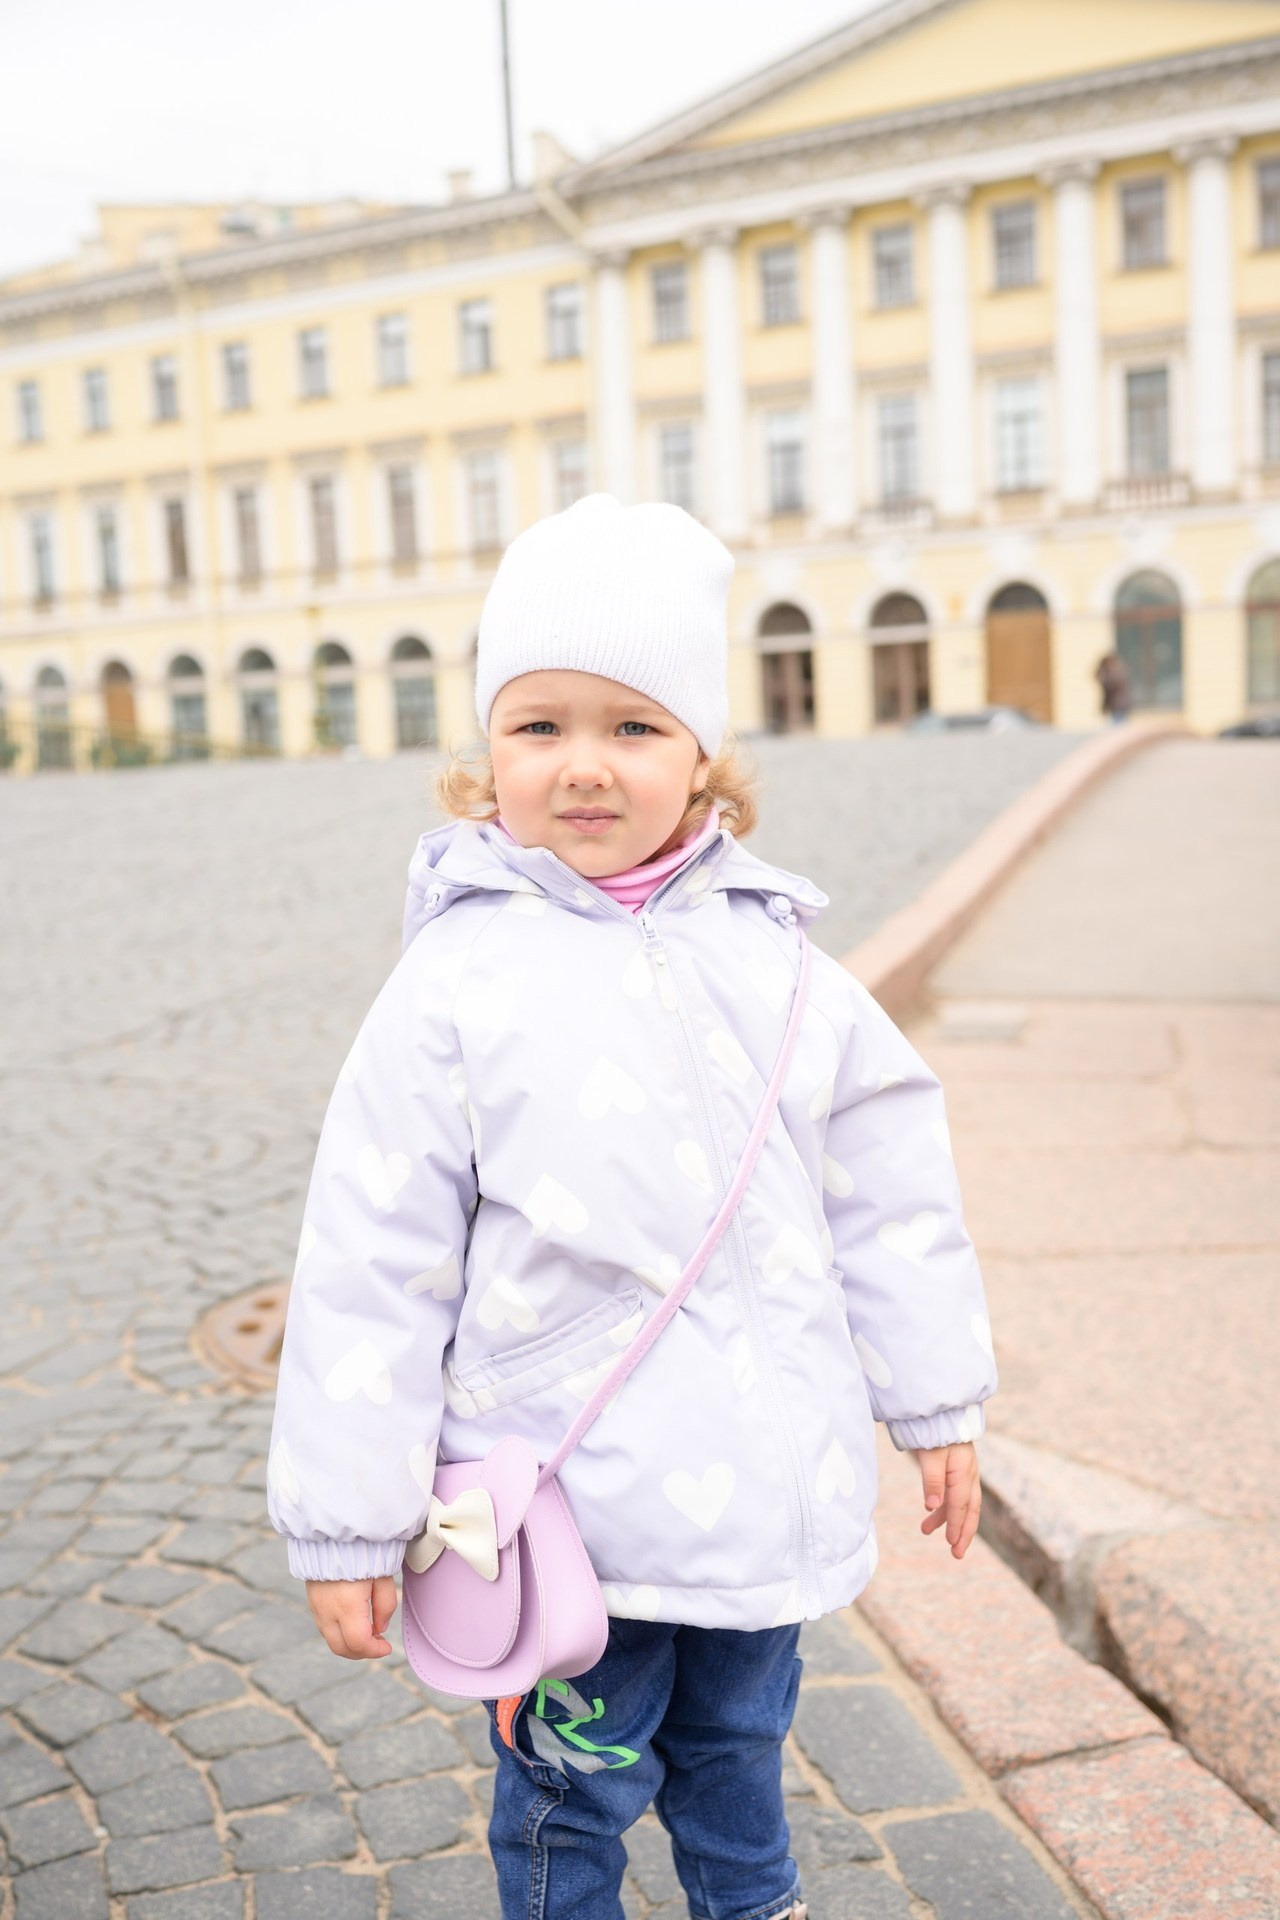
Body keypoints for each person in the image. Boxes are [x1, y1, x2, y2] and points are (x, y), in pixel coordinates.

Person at [267, 494, 997, 1920]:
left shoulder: (779, 959)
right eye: (540, 726)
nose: (584, 766)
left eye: (633, 727)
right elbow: (372, 1258)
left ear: (704, 758)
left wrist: (938, 1394)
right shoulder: (456, 984)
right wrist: (347, 1520)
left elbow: (887, 1183)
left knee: (740, 1755)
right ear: (484, 757)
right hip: (566, 1514)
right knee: (568, 1796)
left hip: (755, 1498)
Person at [1094, 649, 1133, 723]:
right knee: (1119, 726)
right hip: (1120, 705)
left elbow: (1110, 688)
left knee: (1118, 727)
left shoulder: (1114, 672)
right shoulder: (1118, 668)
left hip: (1118, 705)